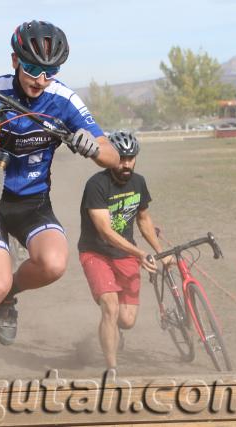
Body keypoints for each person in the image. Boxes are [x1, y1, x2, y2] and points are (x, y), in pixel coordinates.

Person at [0, 20, 119, 385]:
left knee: (53, 265)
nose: (40, 79)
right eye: (32, 68)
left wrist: (93, 147)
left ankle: (10, 295)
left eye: (50, 71)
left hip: (32, 202)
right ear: (15, 60)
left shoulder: (64, 100)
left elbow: (110, 152)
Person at [77, 130, 171, 371]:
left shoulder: (138, 182)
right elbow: (106, 232)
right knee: (110, 306)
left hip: (125, 254)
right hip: (95, 252)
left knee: (127, 320)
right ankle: (112, 369)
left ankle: (115, 329)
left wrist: (162, 251)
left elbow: (143, 219)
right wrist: (140, 254)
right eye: (121, 158)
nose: (126, 163)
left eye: (131, 158)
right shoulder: (96, 185)